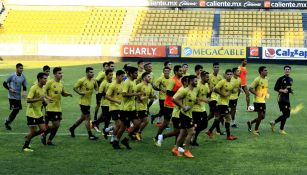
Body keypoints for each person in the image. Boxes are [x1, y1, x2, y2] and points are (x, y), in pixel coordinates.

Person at [41, 67, 72, 145]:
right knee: (56, 125)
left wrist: (67, 94)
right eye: (59, 73)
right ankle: (44, 133)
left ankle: (49, 140)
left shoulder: (61, 83)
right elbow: (43, 93)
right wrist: (48, 97)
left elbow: (63, 93)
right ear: (54, 74)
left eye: (61, 73)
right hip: (50, 107)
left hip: (58, 108)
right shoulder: (50, 82)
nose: (61, 75)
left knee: (56, 126)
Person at [156, 76, 189, 147]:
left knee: (180, 130)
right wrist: (183, 106)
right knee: (177, 131)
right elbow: (174, 99)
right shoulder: (181, 90)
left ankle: (177, 145)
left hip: (182, 113)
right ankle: (162, 137)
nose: (190, 83)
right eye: (188, 81)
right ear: (185, 82)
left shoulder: (186, 90)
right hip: (177, 113)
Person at [112, 66, 140, 149]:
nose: (137, 74)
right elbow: (124, 94)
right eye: (135, 73)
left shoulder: (133, 82)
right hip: (125, 109)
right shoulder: (127, 82)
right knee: (123, 127)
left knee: (137, 124)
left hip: (132, 108)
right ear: (131, 74)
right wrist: (135, 94)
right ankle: (116, 141)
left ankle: (126, 139)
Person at [153, 65, 183, 143]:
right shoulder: (172, 80)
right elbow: (168, 92)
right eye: (180, 71)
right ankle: (157, 137)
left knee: (177, 124)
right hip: (169, 105)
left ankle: (177, 143)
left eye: (182, 70)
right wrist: (180, 94)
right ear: (176, 72)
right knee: (165, 123)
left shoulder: (180, 80)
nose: (182, 72)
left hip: (176, 105)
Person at [69, 67, 98, 140]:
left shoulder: (94, 81)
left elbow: (97, 89)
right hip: (83, 102)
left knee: (82, 118)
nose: (92, 73)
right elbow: (75, 87)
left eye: (93, 72)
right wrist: (79, 92)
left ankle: (72, 128)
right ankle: (90, 135)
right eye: (91, 72)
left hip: (88, 102)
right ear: (87, 73)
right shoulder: (82, 80)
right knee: (88, 118)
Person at [172, 75, 198, 158]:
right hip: (184, 115)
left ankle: (175, 149)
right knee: (192, 132)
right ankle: (186, 151)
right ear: (190, 82)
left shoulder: (193, 92)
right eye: (195, 81)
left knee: (183, 133)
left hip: (189, 115)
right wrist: (183, 107)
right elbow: (174, 99)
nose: (196, 82)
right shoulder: (185, 91)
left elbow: (191, 103)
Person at [207, 69, 237, 140]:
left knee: (219, 118)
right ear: (225, 75)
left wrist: (234, 91)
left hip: (225, 103)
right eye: (228, 74)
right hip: (221, 103)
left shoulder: (232, 83)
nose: (229, 76)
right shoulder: (222, 82)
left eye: (230, 74)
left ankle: (210, 131)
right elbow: (215, 89)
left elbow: (232, 90)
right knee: (228, 118)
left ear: (232, 75)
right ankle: (228, 136)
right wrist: (222, 94)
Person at [22, 72, 49, 152]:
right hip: (31, 113)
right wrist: (39, 99)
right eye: (44, 78)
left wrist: (45, 103)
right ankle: (25, 147)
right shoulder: (34, 88)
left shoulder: (43, 88)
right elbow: (28, 100)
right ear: (40, 79)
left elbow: (42, 98)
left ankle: (28, 137)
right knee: (33, 130)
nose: (46, 80)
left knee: (43, 129)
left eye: (46, 78)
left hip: (38, 113)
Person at [270, 66, 293, 135]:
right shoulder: (281, 79)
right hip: (281, 98)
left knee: (286, 114)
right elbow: (275, 88)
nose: (287, 70)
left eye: (288, 69)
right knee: (286, 114)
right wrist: (283, 90)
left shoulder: (291, 79)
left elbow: (288, 88)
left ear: (290, 71)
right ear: (284, 70)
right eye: (286, 69)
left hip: (287, 99)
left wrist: (290, 91)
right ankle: (277, 125)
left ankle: (277, 126)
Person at [3, 63, 27, 130]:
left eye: (22, 68)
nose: (21, 70)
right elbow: (4, 83)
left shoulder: (23, 77)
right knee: (16, 109)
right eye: (20, 68)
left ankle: (7, 121)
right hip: (12, 96)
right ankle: (8, 122)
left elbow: (24, 85)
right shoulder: (12, 75)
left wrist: (24, 92)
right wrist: (10, 89)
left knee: (17, 110)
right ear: (16, 68)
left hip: (18, 97)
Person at [247, 66, 269, 136]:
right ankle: (256, 130)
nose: (267, 71)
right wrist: (257, 94)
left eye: (266, 70)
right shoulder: (257, 80)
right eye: (265, 70)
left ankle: (250, 122)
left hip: (263, 101)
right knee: (260, 115)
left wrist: (266, 94)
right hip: (257, 101)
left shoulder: (266, 80)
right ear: (261, 72)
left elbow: (264, 89)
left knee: (263, 117)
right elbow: (250, 88)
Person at [92, 69, 113, 138]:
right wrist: (100, 100)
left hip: (111, 103)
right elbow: (100, 93)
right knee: (106, 118)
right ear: (106, 75)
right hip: (105, 104)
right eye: (110, 75)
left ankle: (96, 123)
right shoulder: (103, 83)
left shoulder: (112, 82)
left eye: (112, 75)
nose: (111, 76)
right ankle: (104, 130)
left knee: (108, 118)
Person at [105, 70, 125, 144]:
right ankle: (113, 138)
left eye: (124, 76)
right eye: (122, 76)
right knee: (119, 124)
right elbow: (107, 96)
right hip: (114, 108)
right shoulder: (113, 85)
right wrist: (116, 101)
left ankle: (108, 129)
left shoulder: (123, 84)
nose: (123, 78)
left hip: (121, 107)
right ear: (117, 76)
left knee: (122, 124)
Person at [191, 71, 210, 146]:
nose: (208, 78)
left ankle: (193, 136)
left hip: (202, 109)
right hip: (195, 109)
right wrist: (204, 100)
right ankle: (192, 139)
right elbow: (193, 97)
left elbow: (206, 94)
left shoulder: (206, 84)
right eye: (207, 77)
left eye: (208, 77)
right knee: (197, 125)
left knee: (204, 125)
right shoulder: (197, 85)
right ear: (202, 77)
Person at [135, 72, 155, 140]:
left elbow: (150, 95)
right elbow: (134, 94)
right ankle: (137, 133)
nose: (150, 78)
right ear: (144, 78)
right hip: (139, 106)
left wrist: (152, 96)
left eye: (150, 77)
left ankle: (135, 133)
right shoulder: (139, 86)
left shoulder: (150, 86)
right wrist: (139, 97)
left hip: (145, 105)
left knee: (141, 121)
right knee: (145, 120)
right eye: (148, 77)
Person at [207, 62, 223, 135]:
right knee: (217, 115)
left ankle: (199, 123)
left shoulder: (220, 77)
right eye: (215, 67)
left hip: (218, 98)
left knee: (212, 115)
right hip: (212, 98)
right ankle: (212, 131)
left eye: (217, 67)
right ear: (213, 68)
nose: (216, 68)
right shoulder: (209, 76)